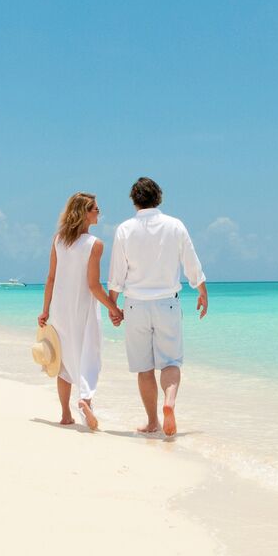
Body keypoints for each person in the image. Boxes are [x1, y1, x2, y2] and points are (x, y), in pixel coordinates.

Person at [107, 177, 208, 437]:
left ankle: (153, 421)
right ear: (158, 197)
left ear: (134, 200)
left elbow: (117, 272)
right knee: (171, 361)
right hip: (167, 303)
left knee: (144, 366)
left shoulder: (125, 229)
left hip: (136, 306)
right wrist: (202, 291)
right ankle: (170, 402)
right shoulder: (175, 226)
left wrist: (112, 305)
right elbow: (191, 262)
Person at [38, 192, 123, 431]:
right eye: (95, 208)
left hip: (60, 310)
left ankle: (65, 415)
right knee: (89, 355)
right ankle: (85, 399)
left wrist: (45, 310)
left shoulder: (58, 240)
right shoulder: (95, 245)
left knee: (64, 361)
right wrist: (114, 308)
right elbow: (93, 286)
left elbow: (51, 278)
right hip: (83, 309)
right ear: (83, 213)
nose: (99, 212)